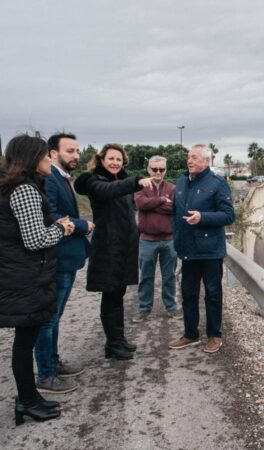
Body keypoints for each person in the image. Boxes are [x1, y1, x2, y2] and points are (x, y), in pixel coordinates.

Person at [0, 135, 75, 425]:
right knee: (24, 342)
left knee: (24, 340)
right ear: (34, 159)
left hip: (19, 275)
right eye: (46, 156)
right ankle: (28, 401)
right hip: (26, 277)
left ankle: (29, 397)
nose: (50, 160)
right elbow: (35, 239)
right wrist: (61, 228)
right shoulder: (26, 191)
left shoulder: (13, 187)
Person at [74, 144, 152, 360]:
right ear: (101, 160)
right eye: (111, 158)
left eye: (119, 159)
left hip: (124, 248)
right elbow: (109, 191)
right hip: (108, 248)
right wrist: (135, 181)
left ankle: (119, 339)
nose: (115, 162)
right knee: (110, 296)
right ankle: (113, 343)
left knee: (119, 295)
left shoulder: (119, 182)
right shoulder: (95, 182)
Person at [34, 132, 94, 395]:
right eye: (70, 151)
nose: (76, 155)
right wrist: (83, 225)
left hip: (66, 258)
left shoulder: (61, 178)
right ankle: (45, 373)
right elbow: (53, 217)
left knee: (54, 317)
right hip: (56, 259)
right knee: (48, 319)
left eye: (77, 150)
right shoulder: (50, 179)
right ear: (53, 153)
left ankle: (53, 362)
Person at [169, 144, 234, 354]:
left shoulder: (217, 184)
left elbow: (228, 215)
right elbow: (175, 213)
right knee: (188, 293)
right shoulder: (181, 181)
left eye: (195, 157)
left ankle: (214, 336)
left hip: (210, 250)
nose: (190, 161)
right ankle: (190, 334)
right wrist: (176, 239)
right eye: (189, 157)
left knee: (213, 294)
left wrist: (203, 217)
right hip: (187, 249)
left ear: (207, 161)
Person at [132, 155, 181, 322]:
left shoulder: (173, 188)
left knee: (170, 276)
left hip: (169, 239)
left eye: (161, 169)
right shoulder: (141, 186)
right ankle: (144, 308)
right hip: (147, 239)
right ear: (148, 169)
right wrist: (161, 200)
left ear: (165, 170)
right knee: (146, 276)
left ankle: (171, 307)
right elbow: (140, 205)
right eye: (154, 169)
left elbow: (174, 208)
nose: (158, 172)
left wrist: (151, 205)